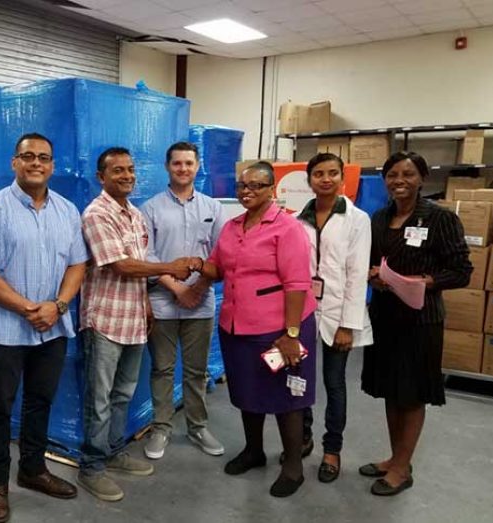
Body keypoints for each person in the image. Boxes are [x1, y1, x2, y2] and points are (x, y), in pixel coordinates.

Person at [0, 133, 88, 523]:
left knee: (41, 402)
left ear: (53, 166)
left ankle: (33, 469)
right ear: (14, 162)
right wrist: (28, 309)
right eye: (28, 156)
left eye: (44, 158)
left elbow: (77, 264)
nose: (36, 163)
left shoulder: (68, 211)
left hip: (52, 328)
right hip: (5, 331)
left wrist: (58, 306)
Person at [78, 146, 199, 502]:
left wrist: (146, 304)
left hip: (132, 318)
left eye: (130, 169)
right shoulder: (96, 213)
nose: (127, 175)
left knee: (122, 394)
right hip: (104, 320)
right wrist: (170, 268)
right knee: (99, 399)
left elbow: (138, 266)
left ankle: (114, 452)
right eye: (118, 171)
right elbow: (121, 265)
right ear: (102, 177)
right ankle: (91, 466)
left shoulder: (134, 214)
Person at [198, 161, 316, 498]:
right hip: (237, 325)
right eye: (242, 186)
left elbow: (296, 284)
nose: (247, 191)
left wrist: (291, 334)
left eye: (256, 185)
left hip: (279, 328)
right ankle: (254, 450)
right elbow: (218, 268)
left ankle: (293, 466)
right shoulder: (233, 226)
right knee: (248, 393)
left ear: (271, 189)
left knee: (286, 396)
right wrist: (192, 264)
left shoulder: (287, 228)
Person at [362, 151, 471, 496]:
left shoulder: (439, 219)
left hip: (420, 321)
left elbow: (461, 272)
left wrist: (423, 281)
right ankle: (396, 458)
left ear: (422, 178)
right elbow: (369, 260)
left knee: (411, 394)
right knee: (391, 392)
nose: (399, 181)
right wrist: (373, 276)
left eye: (408, 174)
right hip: (385, 317)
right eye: (393, 175)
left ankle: (402, 468)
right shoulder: (379, 218)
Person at [140, 141, 225, 460]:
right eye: (177, 163)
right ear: (167, 167)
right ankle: (161, 427)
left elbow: (220, 255)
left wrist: (199, 288)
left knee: (196, 370)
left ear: (197, 165)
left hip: (201, 305)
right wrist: (178, 290)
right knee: (162, 368)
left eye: (189, 163)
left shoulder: (213, 208)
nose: (183, 169)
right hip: (164, 301)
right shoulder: (149, 209)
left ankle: (198, 426)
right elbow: (147, 257)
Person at [296, 152, 372, 483]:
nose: (325, 179)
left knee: (334, 383)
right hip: (304, 313)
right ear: (309, 179)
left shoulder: (357, 220)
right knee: (299, 380)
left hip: (339, 314)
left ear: (343, 178)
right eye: (318, 174)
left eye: (332, 173)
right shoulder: (298, 220)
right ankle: (303, 437)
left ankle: (332, 450)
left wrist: (348, 325)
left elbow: (357, 275)